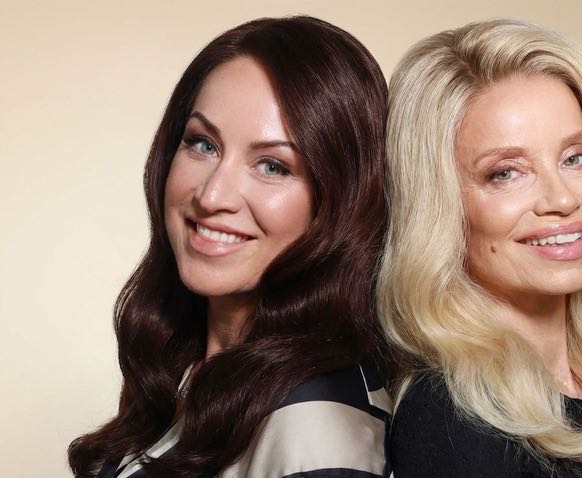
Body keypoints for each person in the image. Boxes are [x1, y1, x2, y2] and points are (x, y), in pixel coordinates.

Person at [68, 16, 390, 477]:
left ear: (340, 201)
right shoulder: (185, 369)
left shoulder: (316, 429)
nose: (212, 195)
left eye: (273, 166)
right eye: (203, 144)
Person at [378, 19, 582, 477]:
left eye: (576, 157)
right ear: (439, 207)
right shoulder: (450, 420)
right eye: (506, 172)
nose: (563, 199)